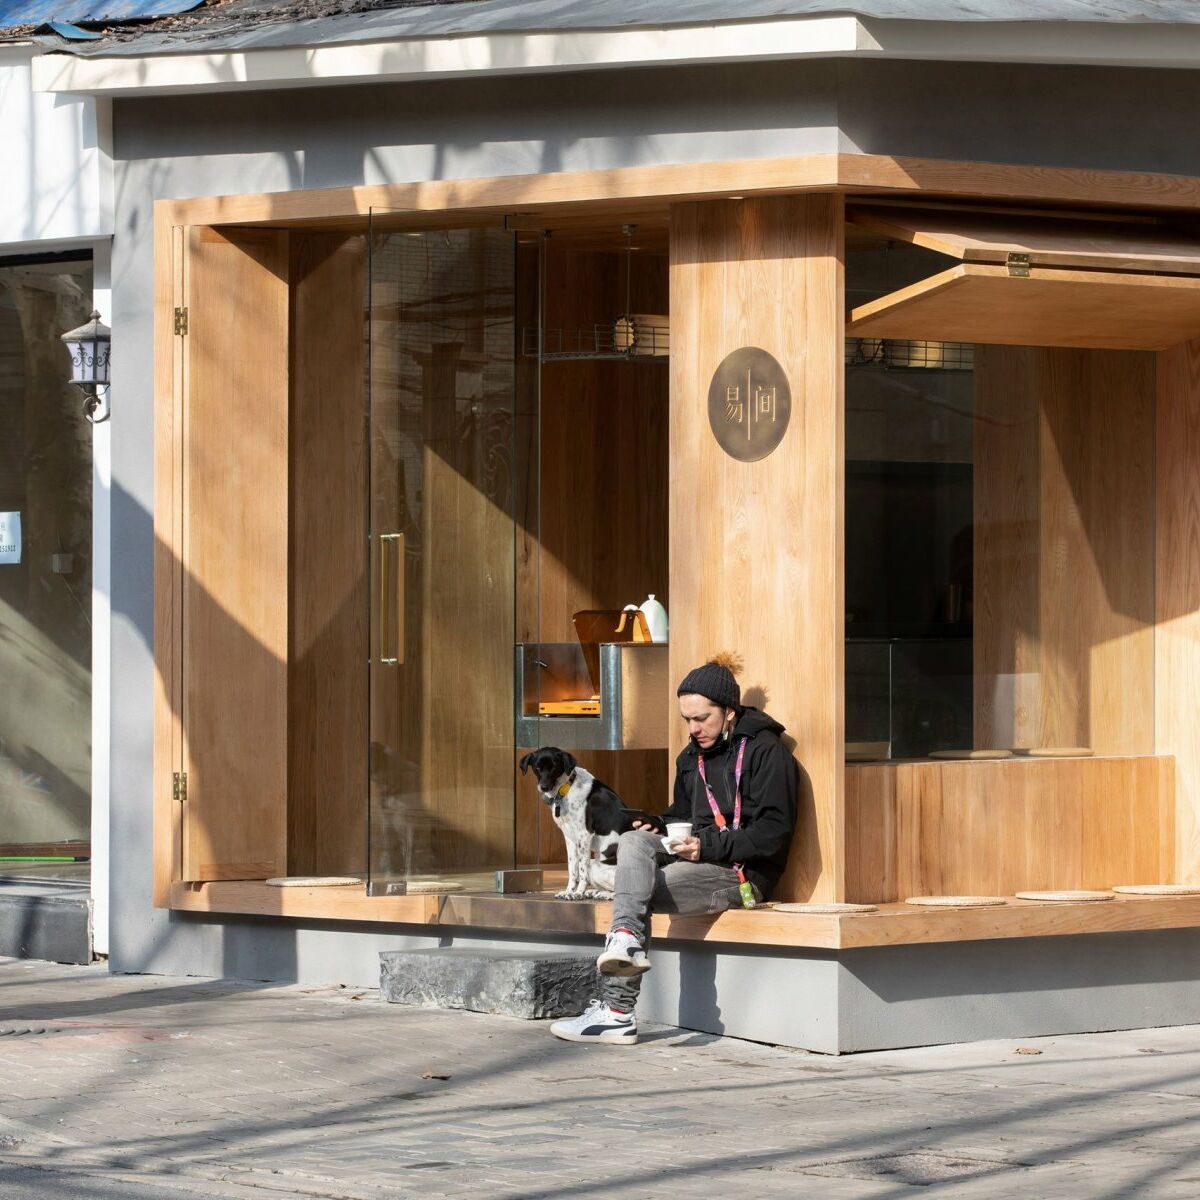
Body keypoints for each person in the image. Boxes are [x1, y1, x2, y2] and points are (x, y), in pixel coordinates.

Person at [550, 652, 797, 1045]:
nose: (693, 728)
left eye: (702, 719)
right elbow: (682, 815)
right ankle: (626, 939)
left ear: (729, 712)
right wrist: (658, 825)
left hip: (741, 874)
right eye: (687, 719)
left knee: (635, 888)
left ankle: (616, 1010)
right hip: (694, 860)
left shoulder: (767, 752)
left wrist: (707, 845)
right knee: (633, 841)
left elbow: (773, 833)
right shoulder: (690, 758)